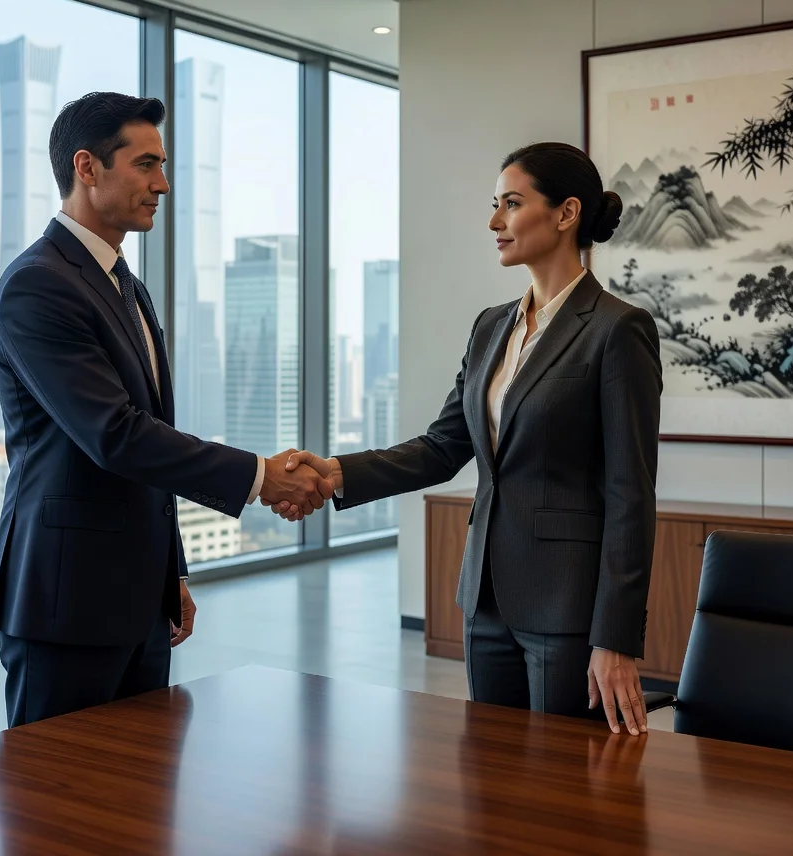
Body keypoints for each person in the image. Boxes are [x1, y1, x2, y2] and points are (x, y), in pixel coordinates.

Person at [275, 142, 662, 735]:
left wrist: (615, 638)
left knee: (569, 794)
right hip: (485, 598)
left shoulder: (617, 329)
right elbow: (443, 447)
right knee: (490, 784)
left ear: (566, 214)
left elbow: (630, 495)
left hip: (569, 607)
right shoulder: (491, 327)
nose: (494, 221)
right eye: (494, 204)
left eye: (511, 203)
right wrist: (333, 473)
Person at [0, 91, 331, 727]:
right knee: (56, 807)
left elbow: (150, 438)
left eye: (162, 165)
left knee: (139, 807)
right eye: (145, 165)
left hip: (138, 598)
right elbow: (115, 436)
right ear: (87, 168)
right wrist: (260, 476)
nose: (163, 185)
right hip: (66, 601)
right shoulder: (38, 284)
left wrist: (168, 573)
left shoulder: (125, 284)